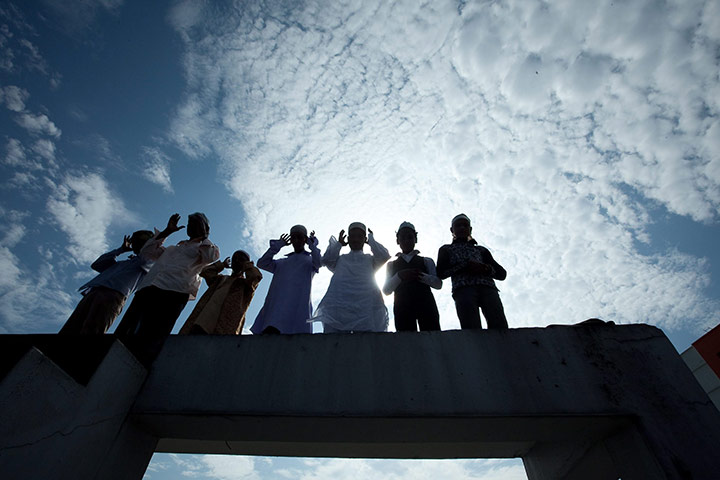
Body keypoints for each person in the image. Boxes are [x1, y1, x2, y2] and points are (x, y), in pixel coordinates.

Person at [114, 213, 219, 357]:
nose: (190, 227)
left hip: (174, 293)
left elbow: (210, 258)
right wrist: (167, 231)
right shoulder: (172, 249)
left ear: (204, 228)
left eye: (196, 224)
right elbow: (146, 252)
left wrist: (204, 236)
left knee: (151, 339)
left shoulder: (205, 248)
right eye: (189, 224)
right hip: (148, 289)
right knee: (125, 332)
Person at [59, 230, 154, 334]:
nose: (135, 244)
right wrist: (121, 250)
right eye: (134, 241)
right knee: (71, 328)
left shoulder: (146, 263)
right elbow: (97, 264)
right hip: (94, 291)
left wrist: (149, 245)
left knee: (93, 329)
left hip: (114, 295)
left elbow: (144, 259)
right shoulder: (121, 264)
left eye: (139, 241)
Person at [313, 222, 390, 333]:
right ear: (348, 239)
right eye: (353, 236)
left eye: (359, 236)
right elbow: (326, 260)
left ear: (364, 239)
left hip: (366, 306)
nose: (356, 240)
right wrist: (338, 244)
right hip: (339, 305)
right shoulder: (340, 259)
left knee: (365, 343)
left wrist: (371, 240)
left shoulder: (370, 260)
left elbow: (384, 256)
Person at [436, 213, 508, 329]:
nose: (462, 228)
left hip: (488, 289)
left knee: (499, 327)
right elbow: (440, 273)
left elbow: (502, 274)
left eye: (465, 225)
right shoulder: (446, 249)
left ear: (470, 229)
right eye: (458, 225)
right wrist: (464, 266)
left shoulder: (481, 250)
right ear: (452, 230)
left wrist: (486, 269)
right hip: (463, 290)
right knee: (471, 331)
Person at [250, 225, 321, 335]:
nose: (296, 240)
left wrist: (312, 245)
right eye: (293, 237)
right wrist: (278, 245)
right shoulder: (281, 263)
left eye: (300, 237)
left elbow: (319, 262)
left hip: (298, 308)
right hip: (276, 310)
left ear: (305, 239)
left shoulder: (309, 261)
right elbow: (262, 263)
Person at [179, 250, 262, 335]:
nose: (237, 261)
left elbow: (255, 276)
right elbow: (206, 272)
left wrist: (248, 266)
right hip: (203, 322)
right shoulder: (220, 279)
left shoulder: (246, 285)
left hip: (225, 328)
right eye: (235, 259)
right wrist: (222, 265)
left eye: (241, 259)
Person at [382, 221, 442, 332]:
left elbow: (438, 284)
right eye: (402, 237)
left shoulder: (427, 261)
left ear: (416, 239)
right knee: (407, 343)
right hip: (402, 307)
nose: (406, 240)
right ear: (397, 241)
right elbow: (386, 290)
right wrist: (400, 276)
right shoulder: (391, 265)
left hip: (426, 305)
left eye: (409, 237)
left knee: (432, 338)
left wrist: (420, 276)